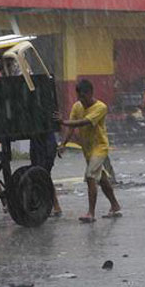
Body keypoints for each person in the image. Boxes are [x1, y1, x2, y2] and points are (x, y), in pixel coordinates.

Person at [56, 79, 121, 223]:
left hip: (100, 147)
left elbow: (84, 122)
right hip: (87, 149)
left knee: (90, 176)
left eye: (84, 97)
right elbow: (72, 128)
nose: (81, 100)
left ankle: (90, 213)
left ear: (91, 93)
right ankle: (115, 205)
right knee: (102, 179)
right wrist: (64, 144)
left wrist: (63, 121)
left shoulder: (100, 107)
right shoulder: (77, 106)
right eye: (79, 97)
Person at [29, 132, 62, 216]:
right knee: (43, 175)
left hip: (45, 144)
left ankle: (53, 205)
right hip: (39, 142)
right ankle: (54, 205)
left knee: (44, 175)